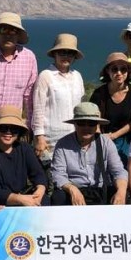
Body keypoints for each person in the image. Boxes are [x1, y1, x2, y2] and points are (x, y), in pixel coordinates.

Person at [50, 102, 129, 206]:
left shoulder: (106, 143)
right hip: (74, 190)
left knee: (125, 196)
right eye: (81, 123)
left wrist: (121, 191)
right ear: (75, 124)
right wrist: (71, 189)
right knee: (58, 197)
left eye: (91, 123)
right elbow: (58, 174)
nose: (86, 128)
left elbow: (118, 171)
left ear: (97, 125)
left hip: (101, 190)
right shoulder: (63, 144)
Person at [0, 105, 49, 207]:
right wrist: (19, 199)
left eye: (14, 129)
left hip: (22, 197)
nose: (8, 132)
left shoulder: (25, 148)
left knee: (44, 199)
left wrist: (40, 191)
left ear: (19, 132)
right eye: (3, 128)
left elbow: (38, 174)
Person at [32, 33, 86, 163]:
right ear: (55, 54)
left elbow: (81, 105)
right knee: (51, 173)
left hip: (75, 137)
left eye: (70, 53)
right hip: (51, 140)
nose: (66, 56)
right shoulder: (46, 76)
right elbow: (38, 108)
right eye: (62, 52)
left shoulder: (77, 76)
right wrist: (39, 137)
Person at [89, 53, 131, 166]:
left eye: (123, 69)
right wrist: (100, 138)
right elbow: (94, 119)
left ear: (128, 71)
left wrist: (114, 135)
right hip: (102, 138)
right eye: (114, 69)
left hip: (126, 140)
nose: (119, 73)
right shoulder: (99, 93)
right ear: (108, 71)